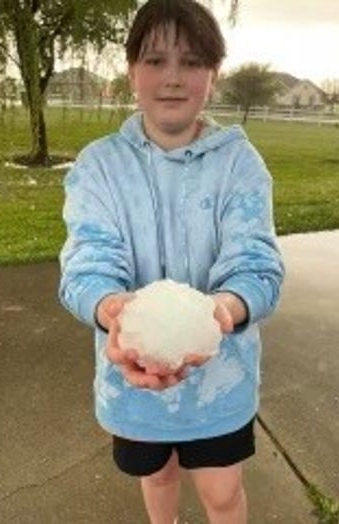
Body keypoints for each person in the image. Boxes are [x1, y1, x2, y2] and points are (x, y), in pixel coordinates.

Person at [58, 0, 284, 522]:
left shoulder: (240, 164)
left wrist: (226, 309)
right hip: (131, 385)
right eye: (156, 60)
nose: (173, 78)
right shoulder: (99, 166)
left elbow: (257, 264)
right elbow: (87, 261)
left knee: (223, 493)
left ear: (214, 74)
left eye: (191, 61)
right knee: (156, 478)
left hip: (220, 385)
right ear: (132, 69)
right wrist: (112, 308)